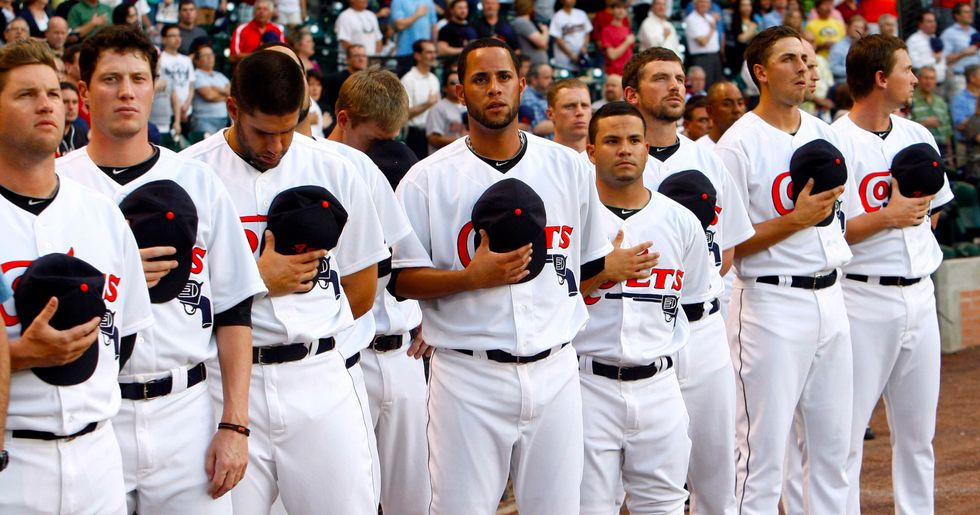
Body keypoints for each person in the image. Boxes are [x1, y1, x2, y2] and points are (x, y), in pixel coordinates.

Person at [390, 37, 613, 515]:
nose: (494, 89)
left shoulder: (569, 168)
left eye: (503, 77)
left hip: (555, 368)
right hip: (468, 373)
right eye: (480, 79)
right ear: (460, 91)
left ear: (522, 85)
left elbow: (591, 264)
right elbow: (402, 280)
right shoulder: (427, 179)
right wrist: (469, 279)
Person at [56, 25, 265, 513]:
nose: (126, 91)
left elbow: (235, 311)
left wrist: (234, 424)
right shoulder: (58, 184)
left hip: (186, 409)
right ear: (84, 92)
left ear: (156, 86)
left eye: (138, 78)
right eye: (110, 79)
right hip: (93, 416)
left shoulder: (198, 180)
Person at [181, 48, 385, 515]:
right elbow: (178, 304)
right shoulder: (190, 174)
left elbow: (362, 287)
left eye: (287, 131)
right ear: (233, 110)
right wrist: (255, 281)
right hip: (227, 383)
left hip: (319, 375)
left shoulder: (336, 167)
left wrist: (313, 328)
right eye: (262, 132)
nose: (275, 146)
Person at [0, 38, 153, 513]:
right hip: (13, 457)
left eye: (52, 92)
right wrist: (18, 355)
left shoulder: (103, 214)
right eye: (26, 94)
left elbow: (122, 337)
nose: (46, 103)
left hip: (97, 454)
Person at [714, 26, 853, 514]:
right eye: (791, 58)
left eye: (807, 59)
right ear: (761, 73)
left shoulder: (824, 132)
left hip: (831, 297)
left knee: (834, 451)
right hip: (770, 302)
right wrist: (794, 220)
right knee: (761, 454)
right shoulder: (737, 144)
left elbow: (838, 221)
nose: (804, 68)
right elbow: (729, 244)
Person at [623, 46, 754, 515]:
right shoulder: (608, 164)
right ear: (631, 93)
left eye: (679, 77)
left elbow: (731, 241)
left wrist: (695, 279)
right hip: (634, 329)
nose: (675, 86)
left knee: (716, 472)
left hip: (702, 329)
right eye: (660, 78)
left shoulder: (708, 157)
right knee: (638, 480)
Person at [830, 33, 954, 515]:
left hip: (919, 295)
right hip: (861, 297)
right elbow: (824, 233)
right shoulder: (834, 141)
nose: (915, 77)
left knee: (918, 434)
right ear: (881, 78)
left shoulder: (917, 134)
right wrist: (888, 217)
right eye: (906, 69)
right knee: (845, 434)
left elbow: (937, 207)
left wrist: (910, 220)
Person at [578, 100, 713, 514]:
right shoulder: (573, 217)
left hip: (660, 385)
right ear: (590, 150)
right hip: (586, 383)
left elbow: (690, 303)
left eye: (635, 140)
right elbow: (549, 303)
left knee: (666, 504)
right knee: (589, 506)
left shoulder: (681, 221)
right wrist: (602, 272)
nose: (625, 149)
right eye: (613, 140)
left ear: (647, 147)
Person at [327, 67, 432, 515]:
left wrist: (432, 313)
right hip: (345, 357)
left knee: (417, 497)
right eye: (375, 140)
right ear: (344, 118)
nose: (384, 149)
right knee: (351, 498)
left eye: (392, 138)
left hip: (405, 354)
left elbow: (422, 255)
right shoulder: (312, 171)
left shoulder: (402, 164)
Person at [400, 39, 440, 158]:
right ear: (417, 55)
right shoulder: (408, 79)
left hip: (434, 134)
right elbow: (404, 114)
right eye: (428, 52)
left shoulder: (434, 78)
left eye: (434, 52)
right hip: (416, 135)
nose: (433, 56)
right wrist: (428, 104)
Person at [910, 66, 954, 158]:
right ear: (918, 79)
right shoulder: (910, 101)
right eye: (926, 78)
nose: (929, 81)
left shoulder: (941, 103)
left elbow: (947, 131)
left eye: (932, 78)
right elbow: (905, 128)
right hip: (919, 150)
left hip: (942, 150)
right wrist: (925, 123)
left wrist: (950, 156)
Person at [940, 2, 978, 98]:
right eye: (966, 12)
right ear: (957, 16)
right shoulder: (948, 33)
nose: (970, 15)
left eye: (970, 12)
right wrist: (963, 53)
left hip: (977, 79)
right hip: (959, 78)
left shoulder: (975, 32)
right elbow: (944, 59)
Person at [159, 24, 194, 127]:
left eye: (179, 35)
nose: (177, 39)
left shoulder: (186, 60)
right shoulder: (160, 59)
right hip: (168, 110)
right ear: (163, 39)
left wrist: (187, 105)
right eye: (172, 36)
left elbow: (191, 86)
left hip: (187, 110)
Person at [191, 44, 230, 135]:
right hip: (204, 120)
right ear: (197, 61)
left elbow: (234, 93)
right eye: (205, 55)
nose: (210, 58)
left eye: (211, 54)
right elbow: (209, 96)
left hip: (224, 120)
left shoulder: (219, 75)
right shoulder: (196, 75)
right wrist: (226, 96)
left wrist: (220, 91)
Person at [426, 70, 466, 154]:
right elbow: (433, 139)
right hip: (443, 159)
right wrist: (461, 138)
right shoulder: (437, 108)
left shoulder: (469, 105)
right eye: (452, 83)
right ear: (445, 88)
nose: (457, 85)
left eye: (459, 82)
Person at [323, 44, 368, 119]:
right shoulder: (335, 79)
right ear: (347, 59)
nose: (361, 59)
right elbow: (328, 104)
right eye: (357, 56)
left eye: (363, 56)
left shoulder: (372, 80)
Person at [685, 0, 723, 87]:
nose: (704, 4)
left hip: (715, 57)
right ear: (695, 4)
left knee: (717, 86)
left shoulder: (710, 17)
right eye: (702, 2)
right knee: (705, 88)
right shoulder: (691, 19)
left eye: (707, 2)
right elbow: (702, 42)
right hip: (701, 58)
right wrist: (712, 29)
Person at [546, 78, 591, 152]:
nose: (580, 112)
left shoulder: (603, 161)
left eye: (584, 105)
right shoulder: (538, 161)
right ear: (550, 114)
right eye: (570, 106)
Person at [906, 11, 947, 89]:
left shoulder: (936, 38)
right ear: (920, 24)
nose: (933, 24)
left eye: (934, 21)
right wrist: (934, 59)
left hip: (941, 84)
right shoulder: (913, 40)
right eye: (929, 21)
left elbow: (942, 60)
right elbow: (913, 63)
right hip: (923, 86)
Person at [699, 80, 745, 148]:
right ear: (710, 111)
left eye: (740, 103)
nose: (737, 110)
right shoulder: (698, 150)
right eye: (727, 104)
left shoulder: (753, 144)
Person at [335, 0, 382, 66]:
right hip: (352, 66)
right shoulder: (344, 16)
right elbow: (345, 42)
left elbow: (378, 40)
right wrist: (360, 58)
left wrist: (376, 58)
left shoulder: (371, 15)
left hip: (371, 64)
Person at [549, 0, 591, 72]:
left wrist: (584, 47)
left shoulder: (581, 13)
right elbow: (557, 38)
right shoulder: (557, 16)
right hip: (564, 61)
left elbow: (587, 32)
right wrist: (571, 54)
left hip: (582, 58)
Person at [519, 62, 554, 137]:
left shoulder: (544, 94)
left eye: (551, 77)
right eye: (546, 78)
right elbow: (537, 128)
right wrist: (563, 122)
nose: (551, 81)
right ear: (534, 79)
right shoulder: (528, 97)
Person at [599, 0, 633, 76]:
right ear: (612, 10)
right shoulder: (606, 30)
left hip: (628, 72)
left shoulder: (627, 29)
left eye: (624, 8)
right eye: (618, 7)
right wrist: (627, 42)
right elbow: (612, 55)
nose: (621, 10)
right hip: (613, 73)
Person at [829, 14, 865, 83]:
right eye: (856, 26)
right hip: (843, 83)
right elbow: (831, 68)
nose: (858, 30)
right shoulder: (838, 47)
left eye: (861, 27)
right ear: (847, 27)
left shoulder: (865, 47)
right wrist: (853, 71)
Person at [511, 0, 548, 66]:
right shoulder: (522, 22)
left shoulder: (524, 21)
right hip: (531, 67)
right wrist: (545, 31)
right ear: (530, 7)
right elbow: (542, 43)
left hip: (535, 66)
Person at [59, 81, 87, 154]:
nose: (71, 107)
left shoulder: (80, 133)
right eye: (65, 102)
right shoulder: (48, 135)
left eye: (74, 102)